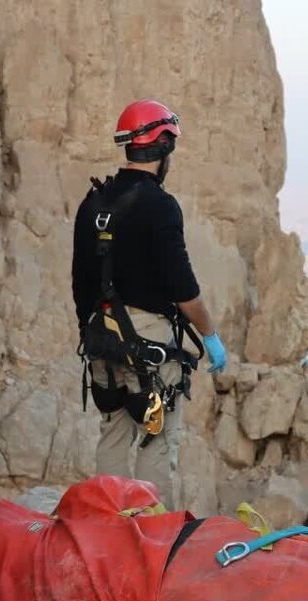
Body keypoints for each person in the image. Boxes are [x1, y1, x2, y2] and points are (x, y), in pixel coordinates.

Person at [71, 99, 227, 508]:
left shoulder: (93, 202)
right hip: (149, 339)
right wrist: (210, 336)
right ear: (163, 146)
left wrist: (92, 331)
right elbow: (184, 288)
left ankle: (106, 524)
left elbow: (80, 280)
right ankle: (151, 530)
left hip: (101, 333)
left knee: (113, 431)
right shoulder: (160, 206)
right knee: (155, 439)